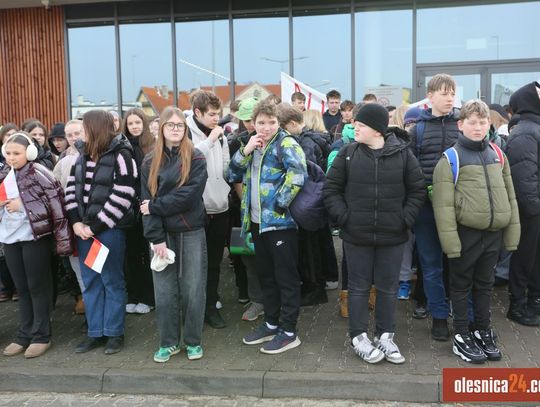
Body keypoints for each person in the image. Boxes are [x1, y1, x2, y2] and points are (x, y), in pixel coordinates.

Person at [324, 103, 425, 364]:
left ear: (378, 130)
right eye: (355, 124)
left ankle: (385, 336)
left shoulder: (404, 155)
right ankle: (358, 337)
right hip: (356, 235)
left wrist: (404, 219)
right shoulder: (347, 154)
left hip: (393, 235)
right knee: (357, 288)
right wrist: (345, 218)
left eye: (361, 125)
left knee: (388, 288)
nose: (355, 128)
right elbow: (331, 190)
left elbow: (417, 191)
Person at [432, 99, 520, 363]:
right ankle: (461, 334)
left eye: (483, 122)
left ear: (489, 123)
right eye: (472, 122)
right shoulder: (451, 159)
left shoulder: (498, 155)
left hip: (493, 235)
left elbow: (510, 196)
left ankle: (482, 329)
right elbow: (443, 207)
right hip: (465, 234)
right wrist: (451, 244)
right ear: (460, 125)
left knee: (484, 285)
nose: (478, 127)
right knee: (460, 287)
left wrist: (512, 234)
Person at [229, 100, 307, 354]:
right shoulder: (251, 144)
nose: (266, 127)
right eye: (261, 122)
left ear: (278, 123)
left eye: (271, 122)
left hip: (281, 224)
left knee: (286, 278)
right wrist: (246, 150)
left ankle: (289, 331)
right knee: (267, 277)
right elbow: (231, 174)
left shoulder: (286, 143)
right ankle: (272, 323)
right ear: (253, 123)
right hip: (256, 223)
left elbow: (298, 174)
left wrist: (279, 205)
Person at [65, 109, 136, 355]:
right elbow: (71, 190)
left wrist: (94, 227)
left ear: (95, 128)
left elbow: (124, 196)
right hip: (84, 232)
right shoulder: (81, 155)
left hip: (109, 231)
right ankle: (95, 333)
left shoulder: (122, 154)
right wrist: (76, 223)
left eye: (84, 128)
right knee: (91, 281)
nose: (81, 133)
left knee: (112, 280)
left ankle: (114, 333)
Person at [140, 106, 208, 362]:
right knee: (164, 292)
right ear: (161, 128)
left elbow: (189, 196)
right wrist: (156, 238)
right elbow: (144, 202)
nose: (176, 129)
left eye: (180, 125)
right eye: (171, 125)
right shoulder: (149, 161)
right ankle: (168, 343)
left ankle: (193, 341)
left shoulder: (197, 157)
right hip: (161, 235)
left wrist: (155, 206)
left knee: (193, 289)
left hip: (191, 230)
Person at [0, 132, 73, 358]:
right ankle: (24, 335)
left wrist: (22, 204)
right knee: (22, 288)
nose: (12, 157)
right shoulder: (4, 175)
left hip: (36, 238)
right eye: (8, 153)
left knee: (37, 286)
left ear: (29, 153)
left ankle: (42, 335)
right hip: (10, 238)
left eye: (17, 153)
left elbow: (56, 205)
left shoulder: (40, 173)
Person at [409, 73, 461, 341]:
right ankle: (439, 316)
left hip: (458, 207)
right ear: (430, 96)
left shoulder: (462, 124)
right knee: (430, 264)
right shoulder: (417, 129)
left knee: (459, 262)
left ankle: (460, 312)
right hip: (427, 208)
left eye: (452, 93)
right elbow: (411, 169)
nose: (450, 98)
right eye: (444, 93)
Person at [278, 104, 332, 306]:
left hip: (306, 202)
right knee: (312, 245)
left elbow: (302, 173)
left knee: (309, 248)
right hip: (311, 202)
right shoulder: (309, 139)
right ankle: (315, 284)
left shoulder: (304, 143)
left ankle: (314, 288)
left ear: (292, 124)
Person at [186, 90, 230, 329]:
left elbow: (225, 167)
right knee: (193, 265)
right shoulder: (184, 132)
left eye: (218, 114)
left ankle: (211, 306)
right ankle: (194, 310)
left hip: (220, 206)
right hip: (195, 210)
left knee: (214, 262)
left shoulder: (221, 135)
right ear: (197, 112)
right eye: (212, 114)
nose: (216, 118)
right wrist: (211, 139)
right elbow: (187, 160)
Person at [505, 81, 540, 326]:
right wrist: (534, 208)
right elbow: (523, 177)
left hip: (534, 207)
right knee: (525, 257)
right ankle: (517, 305)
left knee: (535, 258)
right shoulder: (526, 132)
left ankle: (534, 301)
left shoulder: (532, 129)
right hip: (531, 210)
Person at [229, 97, 265, 322]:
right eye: (246, 120)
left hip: (273, 212)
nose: (251, 125)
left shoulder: (280, 141)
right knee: (249, 257)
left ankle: (277, 303)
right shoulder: (238, 142)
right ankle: (257, 301)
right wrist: (246, 204)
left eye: (254, 120)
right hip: (246, 210)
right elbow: (233, 175)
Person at [122, 108, 155, 315]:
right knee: (131, 255)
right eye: (130, 123)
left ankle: (148, 297)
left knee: (147, 254)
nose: (134, 126)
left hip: (147, 207)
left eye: (137, 122)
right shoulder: (122, 147)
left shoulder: (152, 146)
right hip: (127, 210)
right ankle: (133, 294)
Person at [54, 119, 86, 315]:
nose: (74, 138)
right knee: (79, 272)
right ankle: (89, 313)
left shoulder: (96, 155)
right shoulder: (62, 162)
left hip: (92, 223)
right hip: (72, 223)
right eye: (70, 135)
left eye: (77, 133)